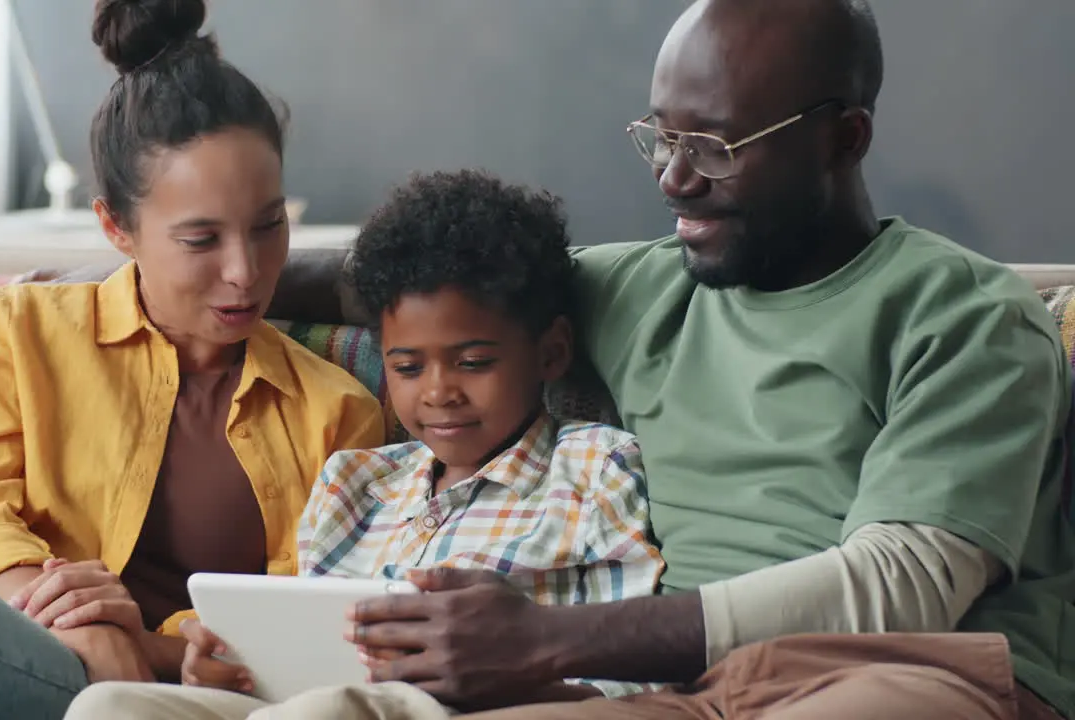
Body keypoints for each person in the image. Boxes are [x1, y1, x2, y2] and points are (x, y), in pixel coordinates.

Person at [259, 1, 1075, 719]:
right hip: (681, 695)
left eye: (716, 148)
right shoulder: (648, 288)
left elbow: (904, 586)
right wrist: (206, 276)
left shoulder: (967, 317)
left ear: (843, 139)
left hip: (908, 677)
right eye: (661, 137)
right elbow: (427, 279)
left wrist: (552, 640)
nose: (673, 180)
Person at [0, 0, 383, 717]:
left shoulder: (335, 410)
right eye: (202, 240)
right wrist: (77, 619)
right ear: (116, 227)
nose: (246, 271)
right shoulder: (20, 330)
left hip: (151, 692)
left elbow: (298, 621)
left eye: (268, 227)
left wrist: (133, 638)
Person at [65, 169, 666, 719]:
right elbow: (292, 652)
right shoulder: (355, 483)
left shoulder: (592, 468)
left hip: (483, 711)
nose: (438, 393)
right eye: (407, 368)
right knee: (109, 706)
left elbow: (633, 684)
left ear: (552, 352)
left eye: (474, 362)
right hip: (306, 707)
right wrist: (220, 669)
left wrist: (516, 678)